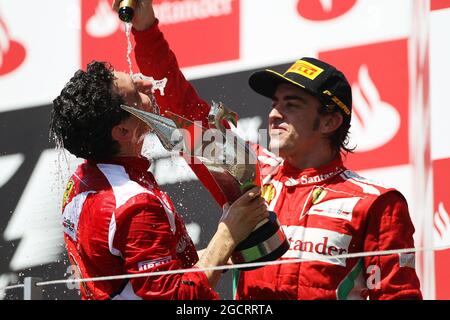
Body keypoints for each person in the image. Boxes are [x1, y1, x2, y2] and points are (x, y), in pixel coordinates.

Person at [114, 0, 423, 300]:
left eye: (292, 105)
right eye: (275, 103)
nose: (275, 114)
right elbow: (184, 112)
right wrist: (145, 29)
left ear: (330, 120)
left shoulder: (375, 203)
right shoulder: (248, 169)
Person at [49, 60, 268, 299]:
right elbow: (174, 297)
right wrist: (229, 233)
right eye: (135, 91)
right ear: (122, 132)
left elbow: (141, 277)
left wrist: (219, 250)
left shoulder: (83, 178)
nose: (145, 84)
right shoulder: (133, 204)